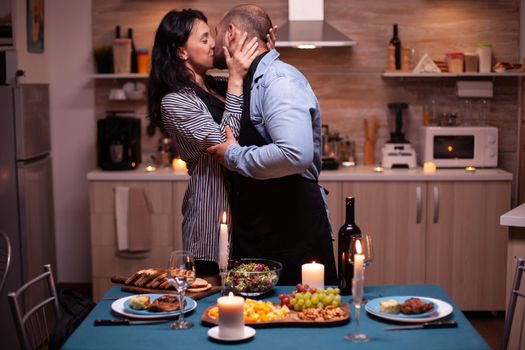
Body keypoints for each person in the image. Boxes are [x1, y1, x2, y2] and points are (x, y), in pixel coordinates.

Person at [207, 4, 337, 285]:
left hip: (291, 231)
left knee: (307, 320)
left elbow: (295, 154)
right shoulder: (244, 78)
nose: (211, 43)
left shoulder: (279, 80)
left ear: (231, 33)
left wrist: (233, 155)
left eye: (215, 34)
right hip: (259, 228)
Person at [148, 9, 261, 275]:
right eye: (204, 38)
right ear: (181, 52)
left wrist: (263, 54)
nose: (213, 43)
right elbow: (225, 144)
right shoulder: (175, 101)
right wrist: (235, 80)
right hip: (212, 216)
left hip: (248, 212)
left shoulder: (215, 86)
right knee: (210, 296)